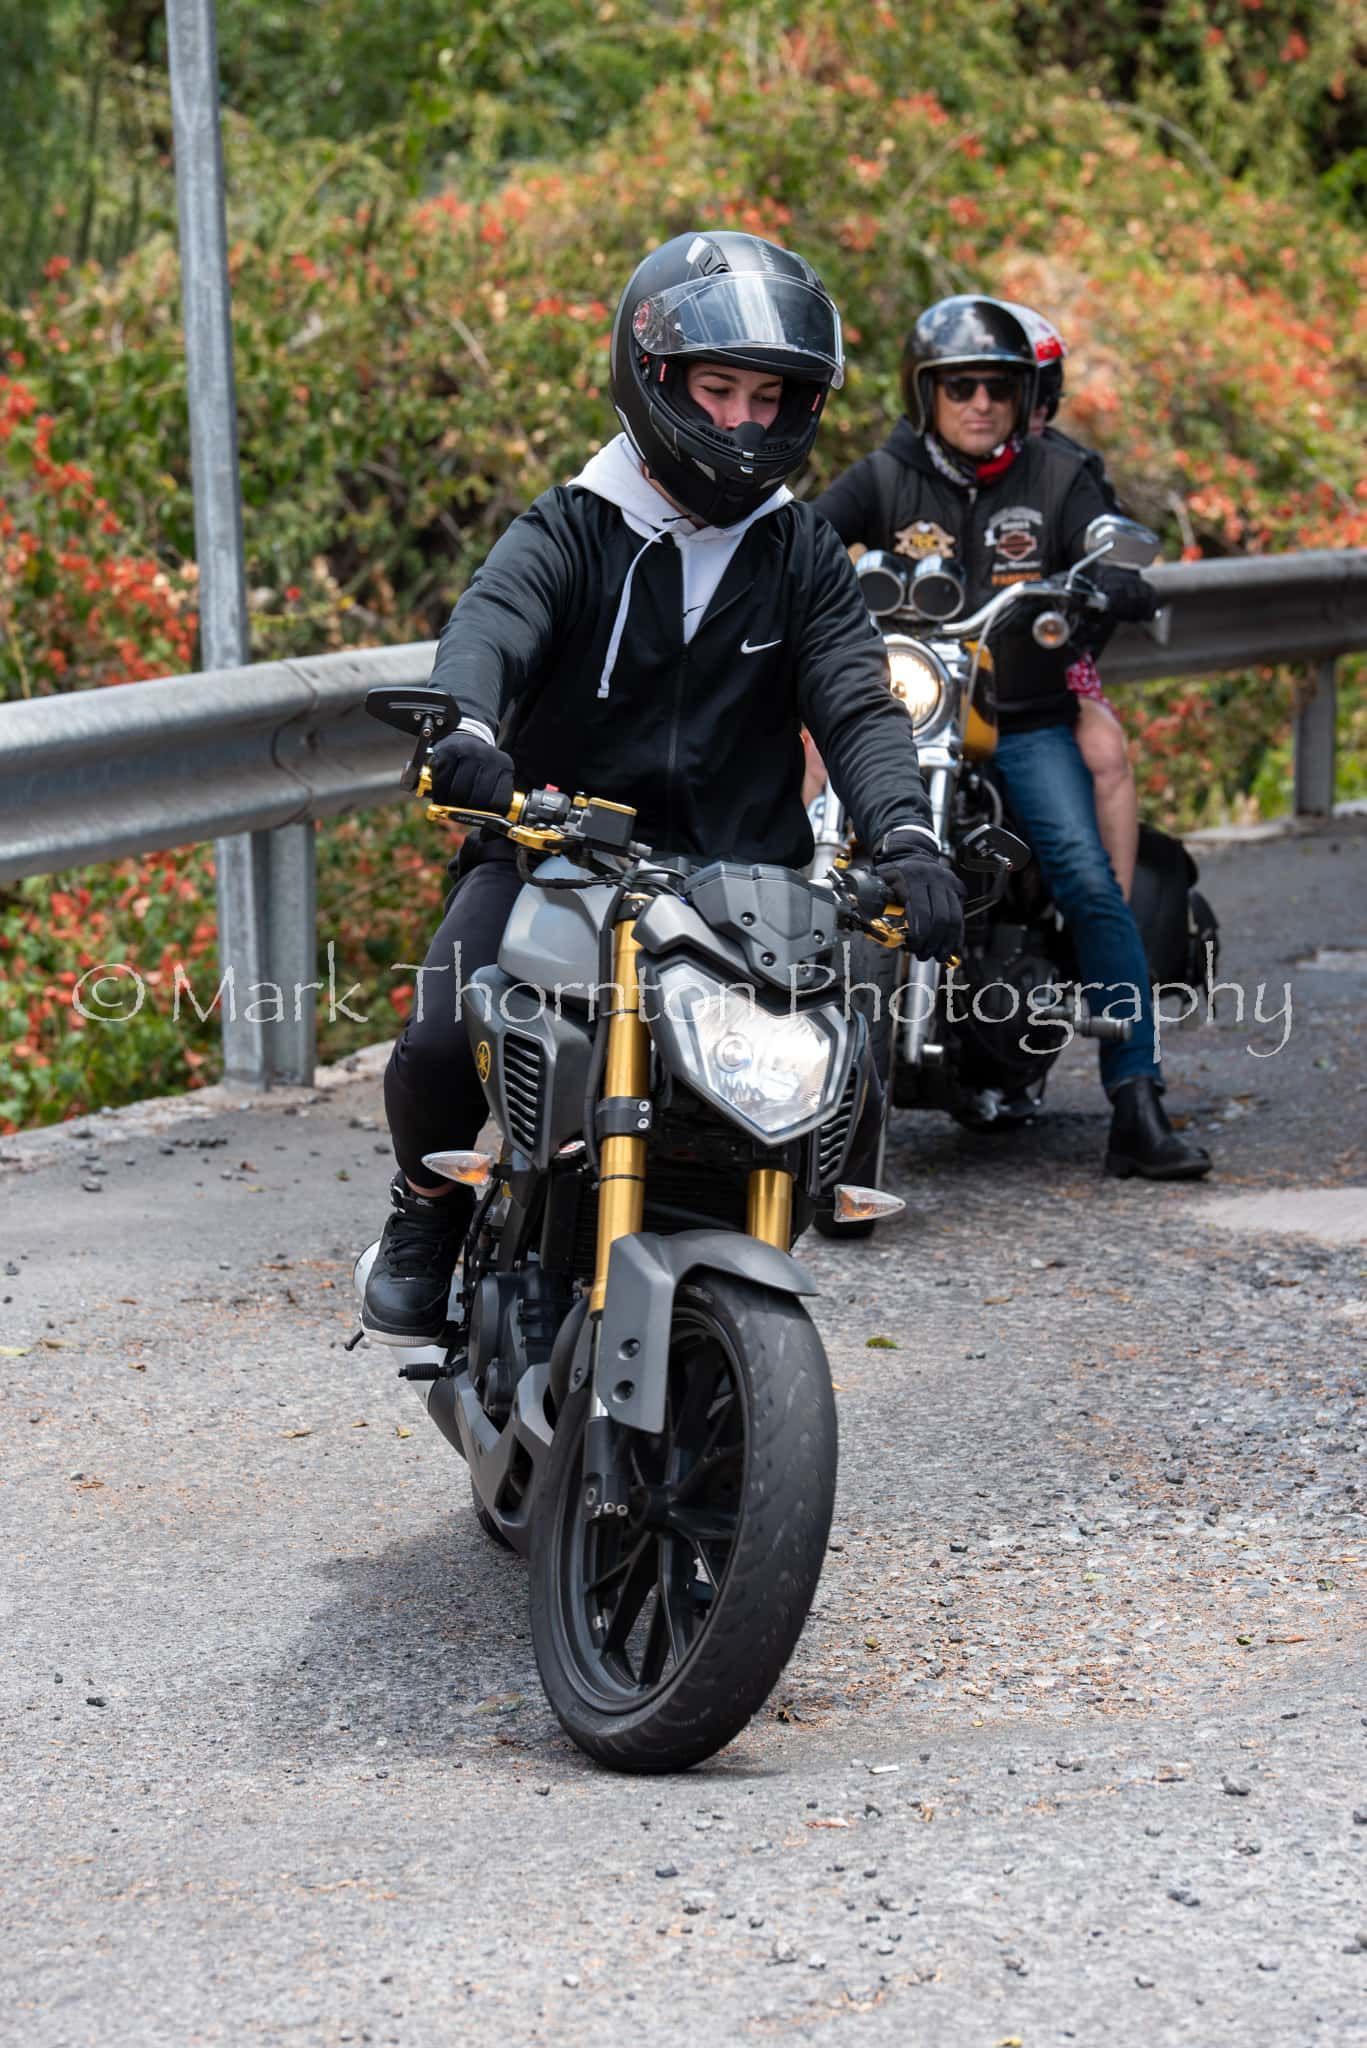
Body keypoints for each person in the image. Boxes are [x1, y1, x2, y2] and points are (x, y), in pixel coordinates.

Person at [362, 231, 967, 1339]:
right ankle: (425, 1211)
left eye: (768, 396)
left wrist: (906, 839)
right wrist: (464, 728)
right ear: (655, 380)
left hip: (746, 883)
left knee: (839, 1074)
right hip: (555, 854)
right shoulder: (571, 526)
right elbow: (490, 626)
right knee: (443, 1038)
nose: (743, 421)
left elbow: (855, 698)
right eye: (717, 387)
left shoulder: (799, 554)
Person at [811, 294, 1210, 1183]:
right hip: (905, 710)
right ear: (928, 395)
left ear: (1022, 393)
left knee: (1082, 876)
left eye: (996, 387)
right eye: (959, 387)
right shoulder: (886, 475)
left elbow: (1103, 544)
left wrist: (1111, 580)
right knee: (802, 851)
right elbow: (809, 534)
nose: (979, 403)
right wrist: (777, 554)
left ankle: (1136, 1101)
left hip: (1022, 719)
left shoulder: (1059, 478)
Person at [1004, 302, 1140, 900]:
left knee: (1106, 752)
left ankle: (1113, 919)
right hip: (940, 668)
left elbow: (1112, 547)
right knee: (818, 739)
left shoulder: (1071, 471)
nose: (1022, 411)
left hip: (1049, 669)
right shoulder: (921, 465)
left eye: (1035, 397)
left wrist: (1112, 583)